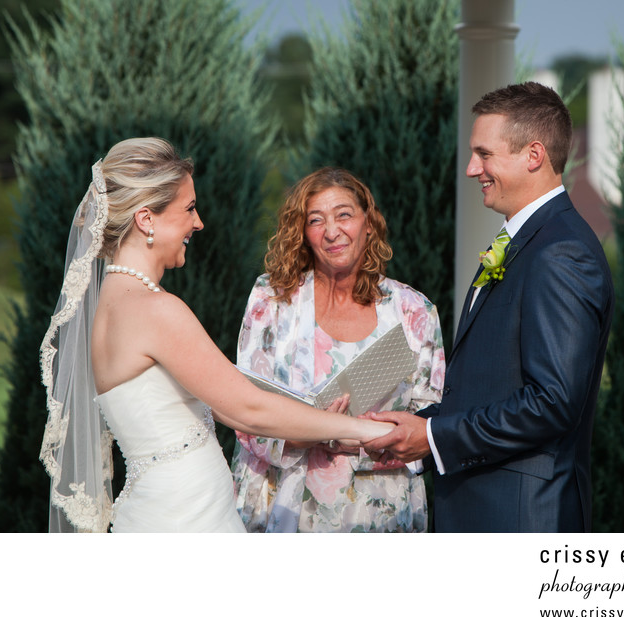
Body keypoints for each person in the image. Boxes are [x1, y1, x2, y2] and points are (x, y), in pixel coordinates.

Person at [39, 138, 391, 533]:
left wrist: (316, 424)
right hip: (186, 516)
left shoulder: (112, 304)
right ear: (146, 219)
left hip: (162, 505)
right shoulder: (155, 309)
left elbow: (222, 405)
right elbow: (247, 408)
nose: (198, 221)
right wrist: (365, 430)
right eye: (189, 208)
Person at [365, 82, 615, 532]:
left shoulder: (561, 252)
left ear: (533, 155)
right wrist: (412, 427)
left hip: (520, 516)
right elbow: (489, 388)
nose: (470, 168)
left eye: (484, 154)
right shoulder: (529, 241)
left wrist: (434, 438)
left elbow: (553, 403)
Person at [231, 167, 445, 532]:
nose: (331, 231)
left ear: (368, 224)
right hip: (283, 505)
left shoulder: (413, 310)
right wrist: (317, 431)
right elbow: (242, 411)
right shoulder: (272, 301)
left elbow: (428, 421)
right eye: (316, 220)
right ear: (302, 233)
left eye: (344, 214)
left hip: (379, 510)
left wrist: (367, 439)